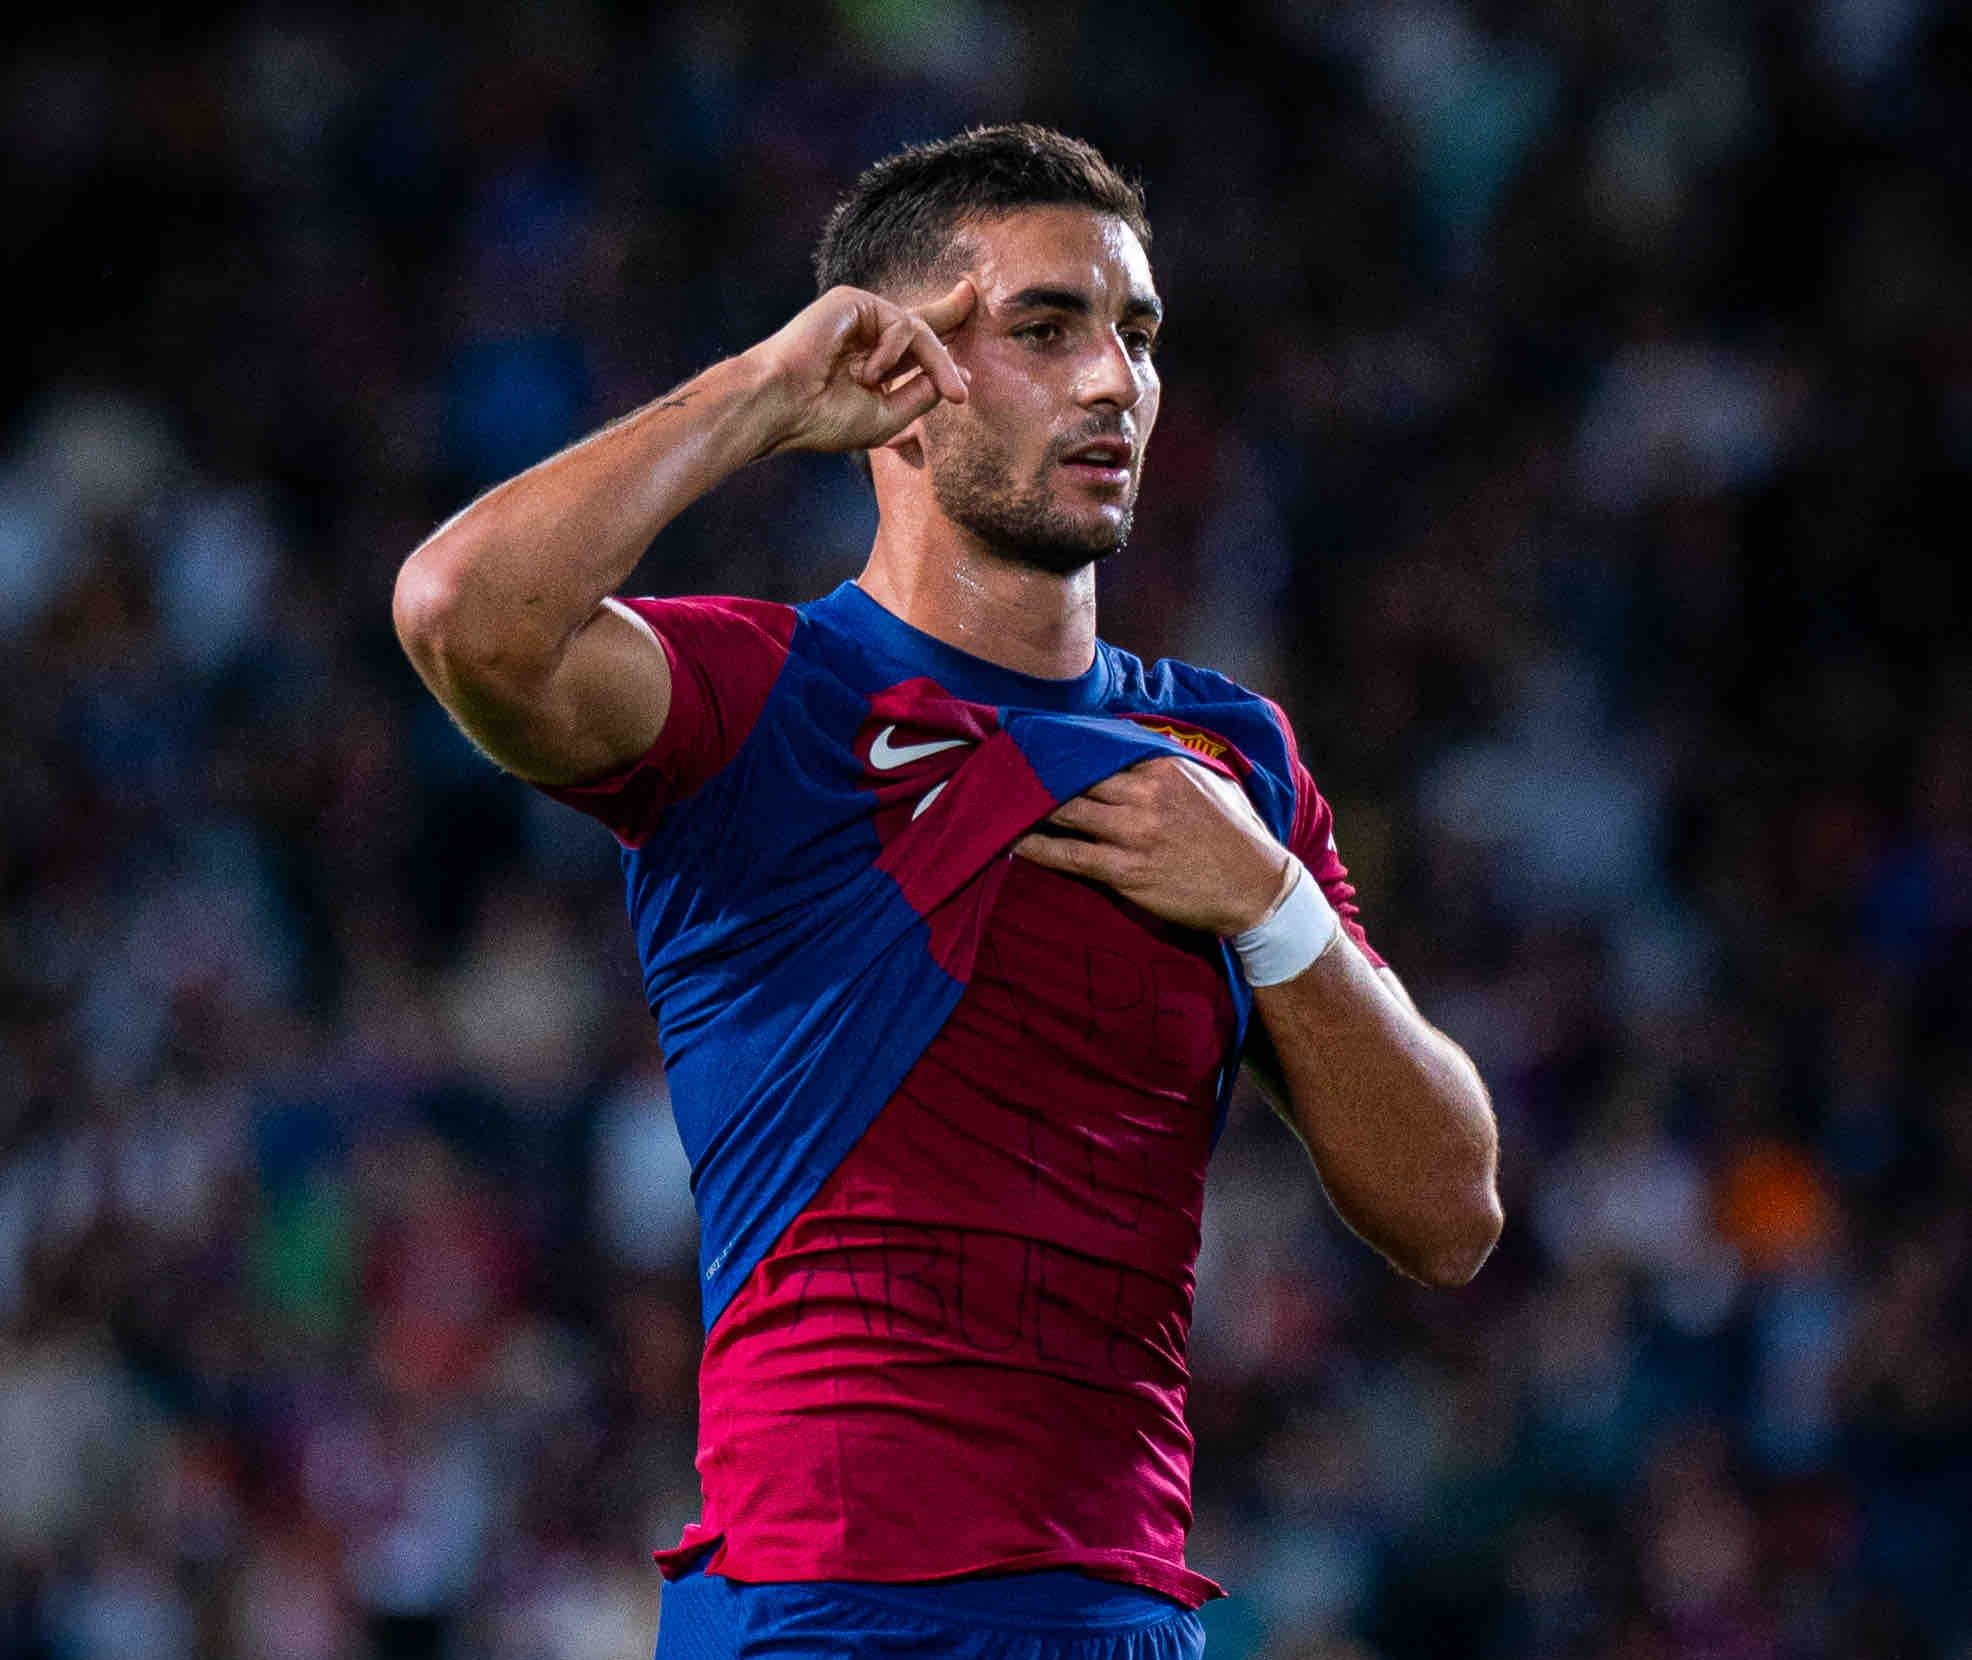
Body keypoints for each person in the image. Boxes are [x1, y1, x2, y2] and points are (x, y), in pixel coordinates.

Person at [393, 123, 1501, 1660]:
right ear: (896, 378)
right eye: (1046, 328)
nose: (1115, 380)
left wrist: (1273, 907)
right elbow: (462, 616)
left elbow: (1453, 1212)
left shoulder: (1227, 756)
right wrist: (763, 394)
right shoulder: (766, 698)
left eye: (1137, 333)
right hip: (817, 1608)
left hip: (1121, 1614)